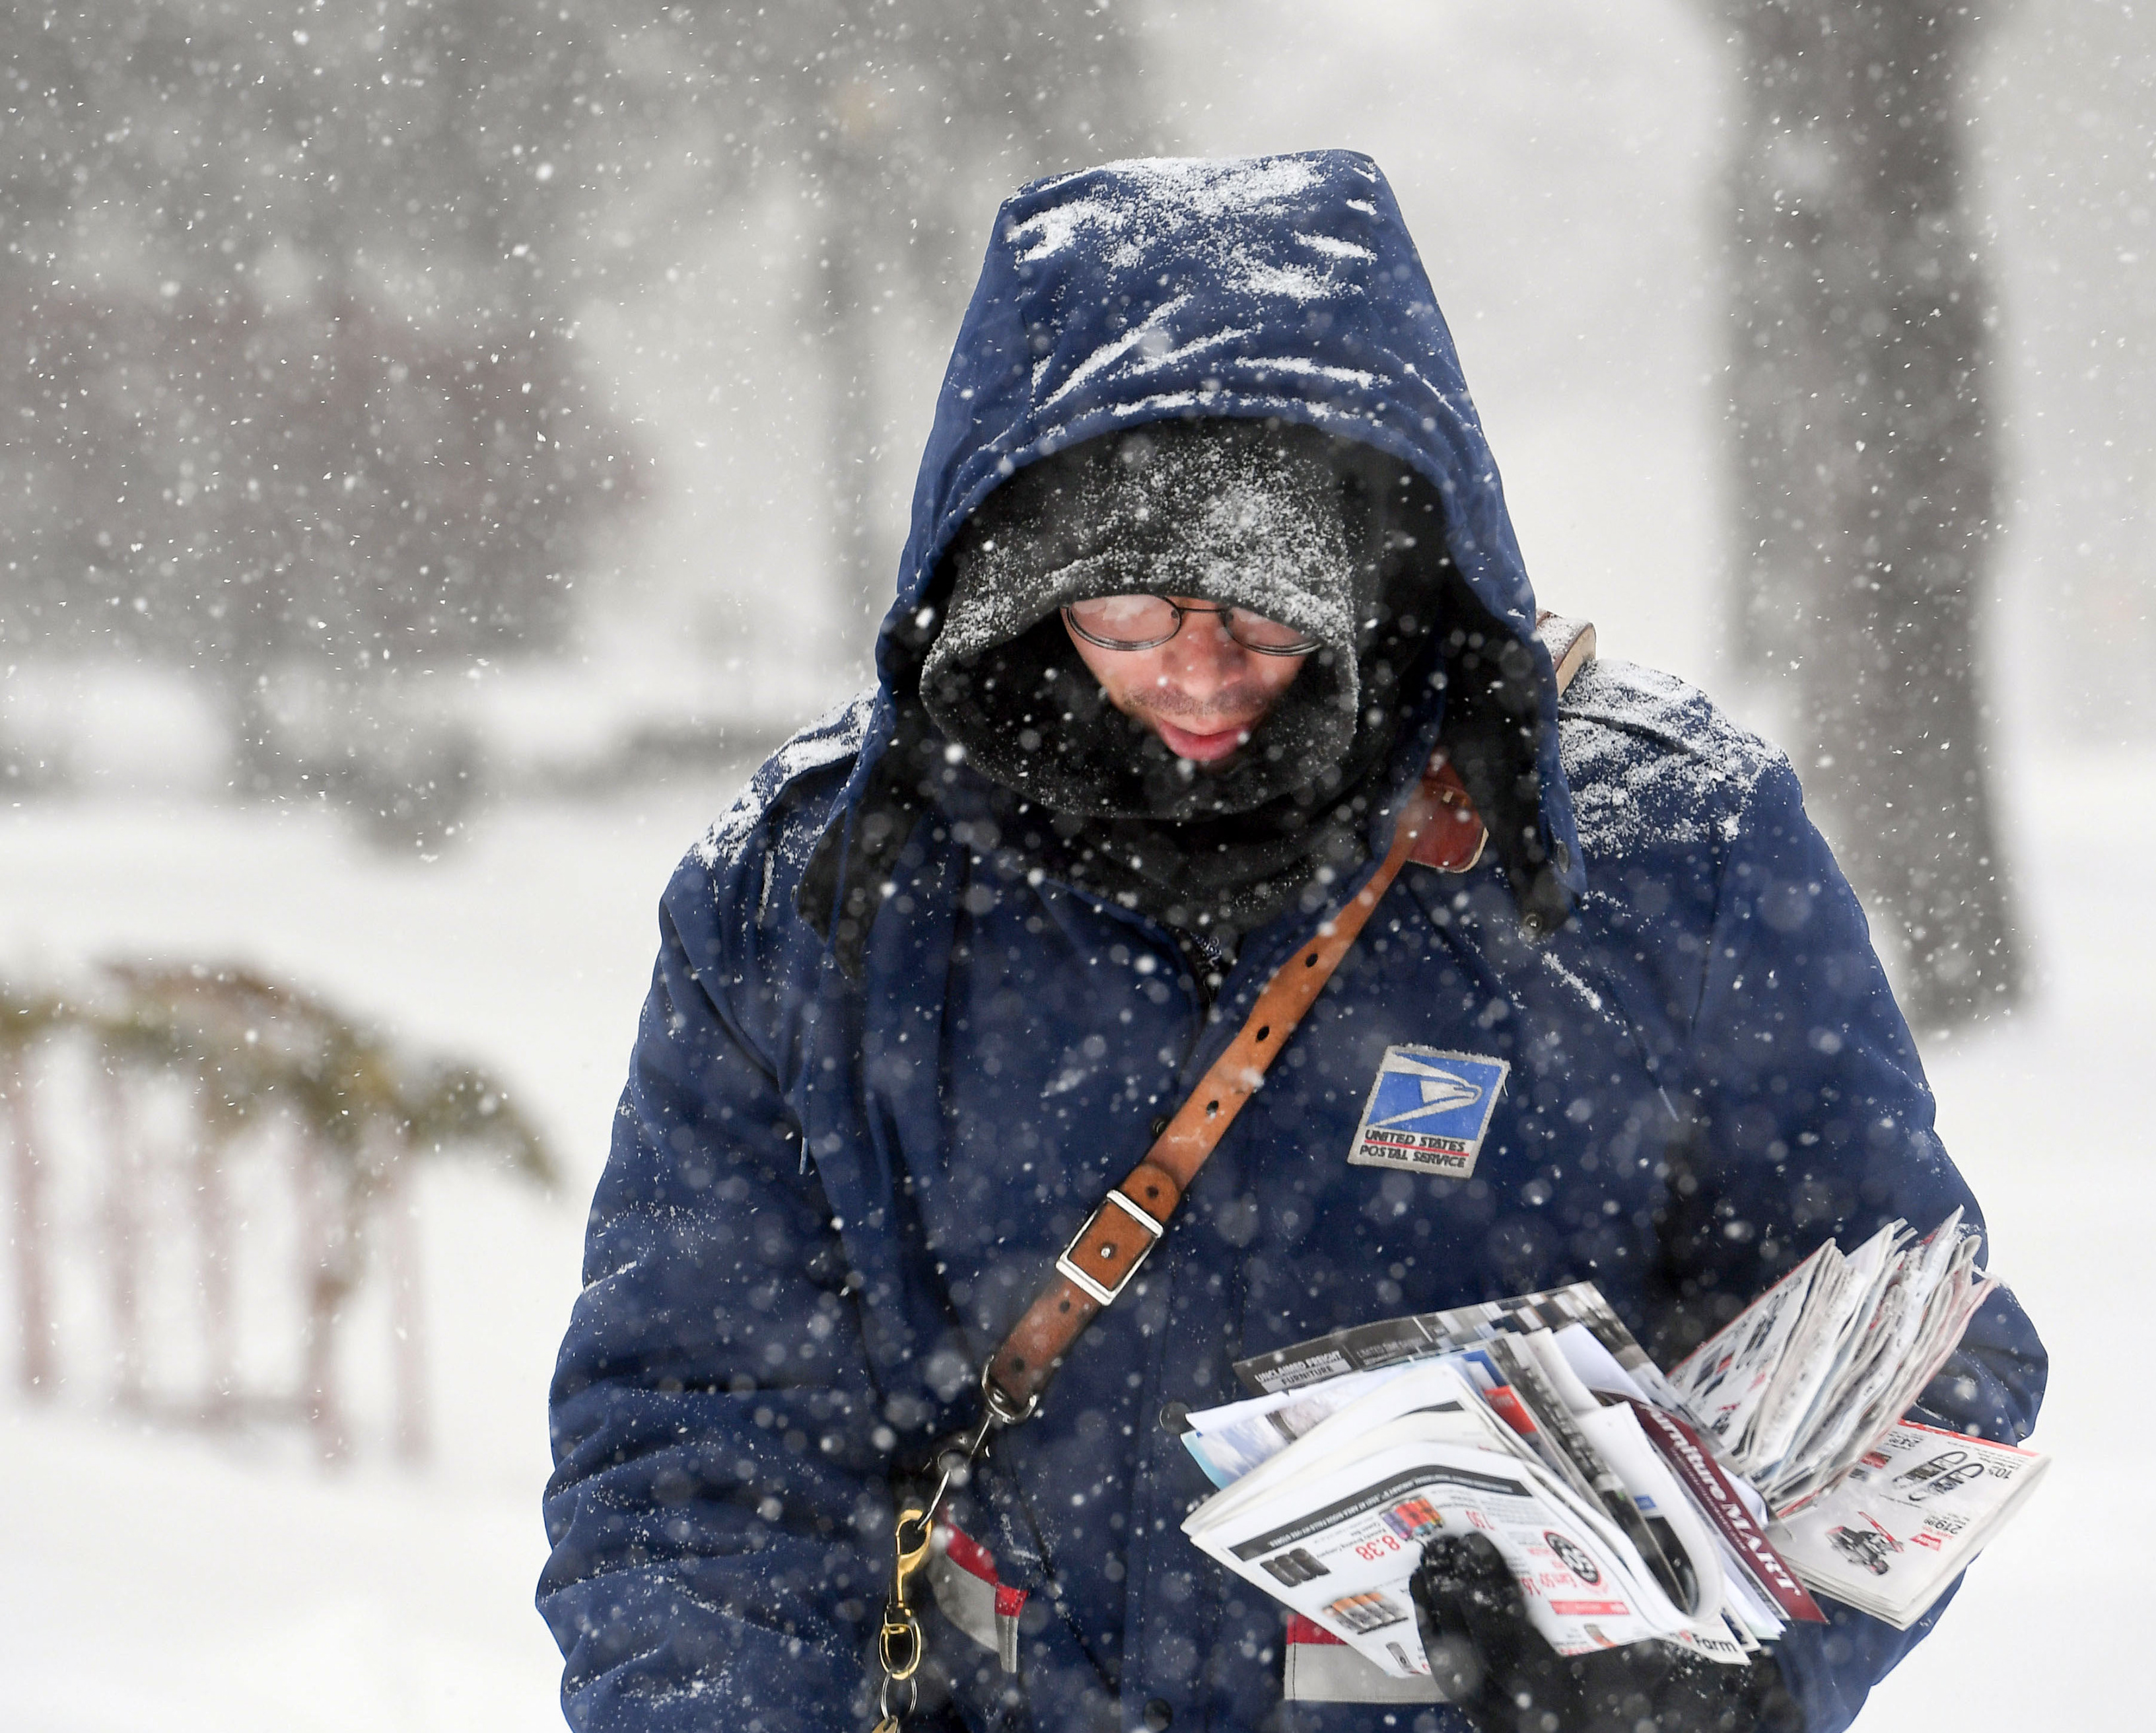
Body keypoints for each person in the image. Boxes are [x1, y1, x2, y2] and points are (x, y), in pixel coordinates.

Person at [538, 151, 2046, 1733]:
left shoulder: (1661, 859)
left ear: (1380, 570)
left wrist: (1734, 1681)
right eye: (1122, 616)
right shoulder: (822, 891)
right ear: (1014, 582)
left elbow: (1927, 1348)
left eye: (1262, 614)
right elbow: (694, 1440)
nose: (1194, 675)